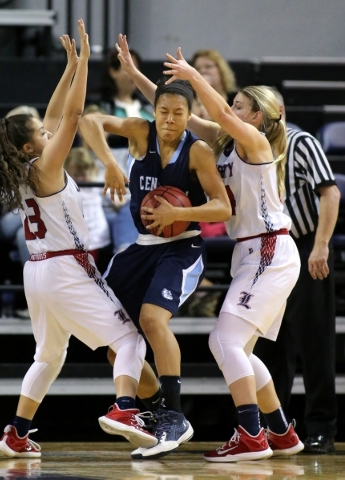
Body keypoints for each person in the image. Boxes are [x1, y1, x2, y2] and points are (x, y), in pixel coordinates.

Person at [112, 34, 304, 461]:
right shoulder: (225, 140)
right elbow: (172, 110)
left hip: (269, 250)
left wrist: (195, 74)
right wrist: (135, 74)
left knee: (224, 342)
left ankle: (251, 435)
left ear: (258, 118)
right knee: (241, 350)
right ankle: (281, 432)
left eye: (239, 107)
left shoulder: (255, 144)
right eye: (232, 106)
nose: (228, 111)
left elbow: (210, 107)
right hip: (253, 254)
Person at [0, 20, 157, 458]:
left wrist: (70, 67)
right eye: (38, 132)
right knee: (129, 340)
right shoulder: (46, 166)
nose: (45, 129)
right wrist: (87, 65)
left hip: (36, 271)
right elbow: (71, 116)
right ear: (28, 148)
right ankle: (126, 408)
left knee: (49, 357)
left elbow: (53, 116)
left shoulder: (25, 167)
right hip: (66, 266)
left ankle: (16, 433)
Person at [79, 69, 232, 458]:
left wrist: (181, 214)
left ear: (188, 114)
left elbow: (223, 206)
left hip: (181, 246)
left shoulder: (197, 151)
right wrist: (110, 165)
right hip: (141, 247)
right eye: (164, 111)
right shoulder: (140, 132)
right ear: (155, 110)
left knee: (151, 320)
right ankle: (152, 410)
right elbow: (89, 120)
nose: (169, 120)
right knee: (116, 345)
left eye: (178, 113)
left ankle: (175, 415)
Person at [254, 87, 341, 454]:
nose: (252, 117)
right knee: (272, 345)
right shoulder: (248, 144)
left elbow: (331, 193)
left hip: (306, 245)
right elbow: (202, 123)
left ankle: (321, 428)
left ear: (278, 110)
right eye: (246, 110)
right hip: (268, 249)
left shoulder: (301, 142)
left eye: (257, 110)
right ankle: (276, 427)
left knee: (314, 342)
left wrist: (321, 246)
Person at [86, 47, 154, 254]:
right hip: (111, 168)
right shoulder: (99, 106)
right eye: (127, 67)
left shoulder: (151, 107)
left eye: (137, 68)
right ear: (113, 71)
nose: (134, 72)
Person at [64, 146, 112, 271]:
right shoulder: (66, 188)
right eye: (76, 175)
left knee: (88, 268)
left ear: (92, 170)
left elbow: (115, 200)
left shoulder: (97, 184)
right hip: (72, 236)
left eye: (83, 174)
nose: (80, 179)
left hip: (94, 235)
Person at [190, 48, 237, 120]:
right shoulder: (190, 98)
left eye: (208, 66)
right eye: (198, 68)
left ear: (221, 70)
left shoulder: (236, 99)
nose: (202, 71)